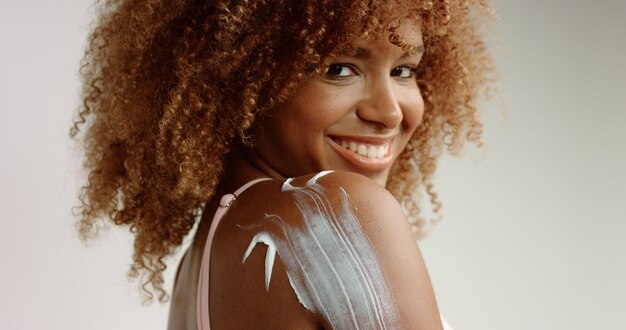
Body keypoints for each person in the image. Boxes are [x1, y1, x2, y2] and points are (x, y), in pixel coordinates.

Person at [72, 0, 494, 328]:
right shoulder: (340, 211)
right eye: (340, 69)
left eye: (404, 70)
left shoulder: (201, 264)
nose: (390, 113)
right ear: (238, 76)